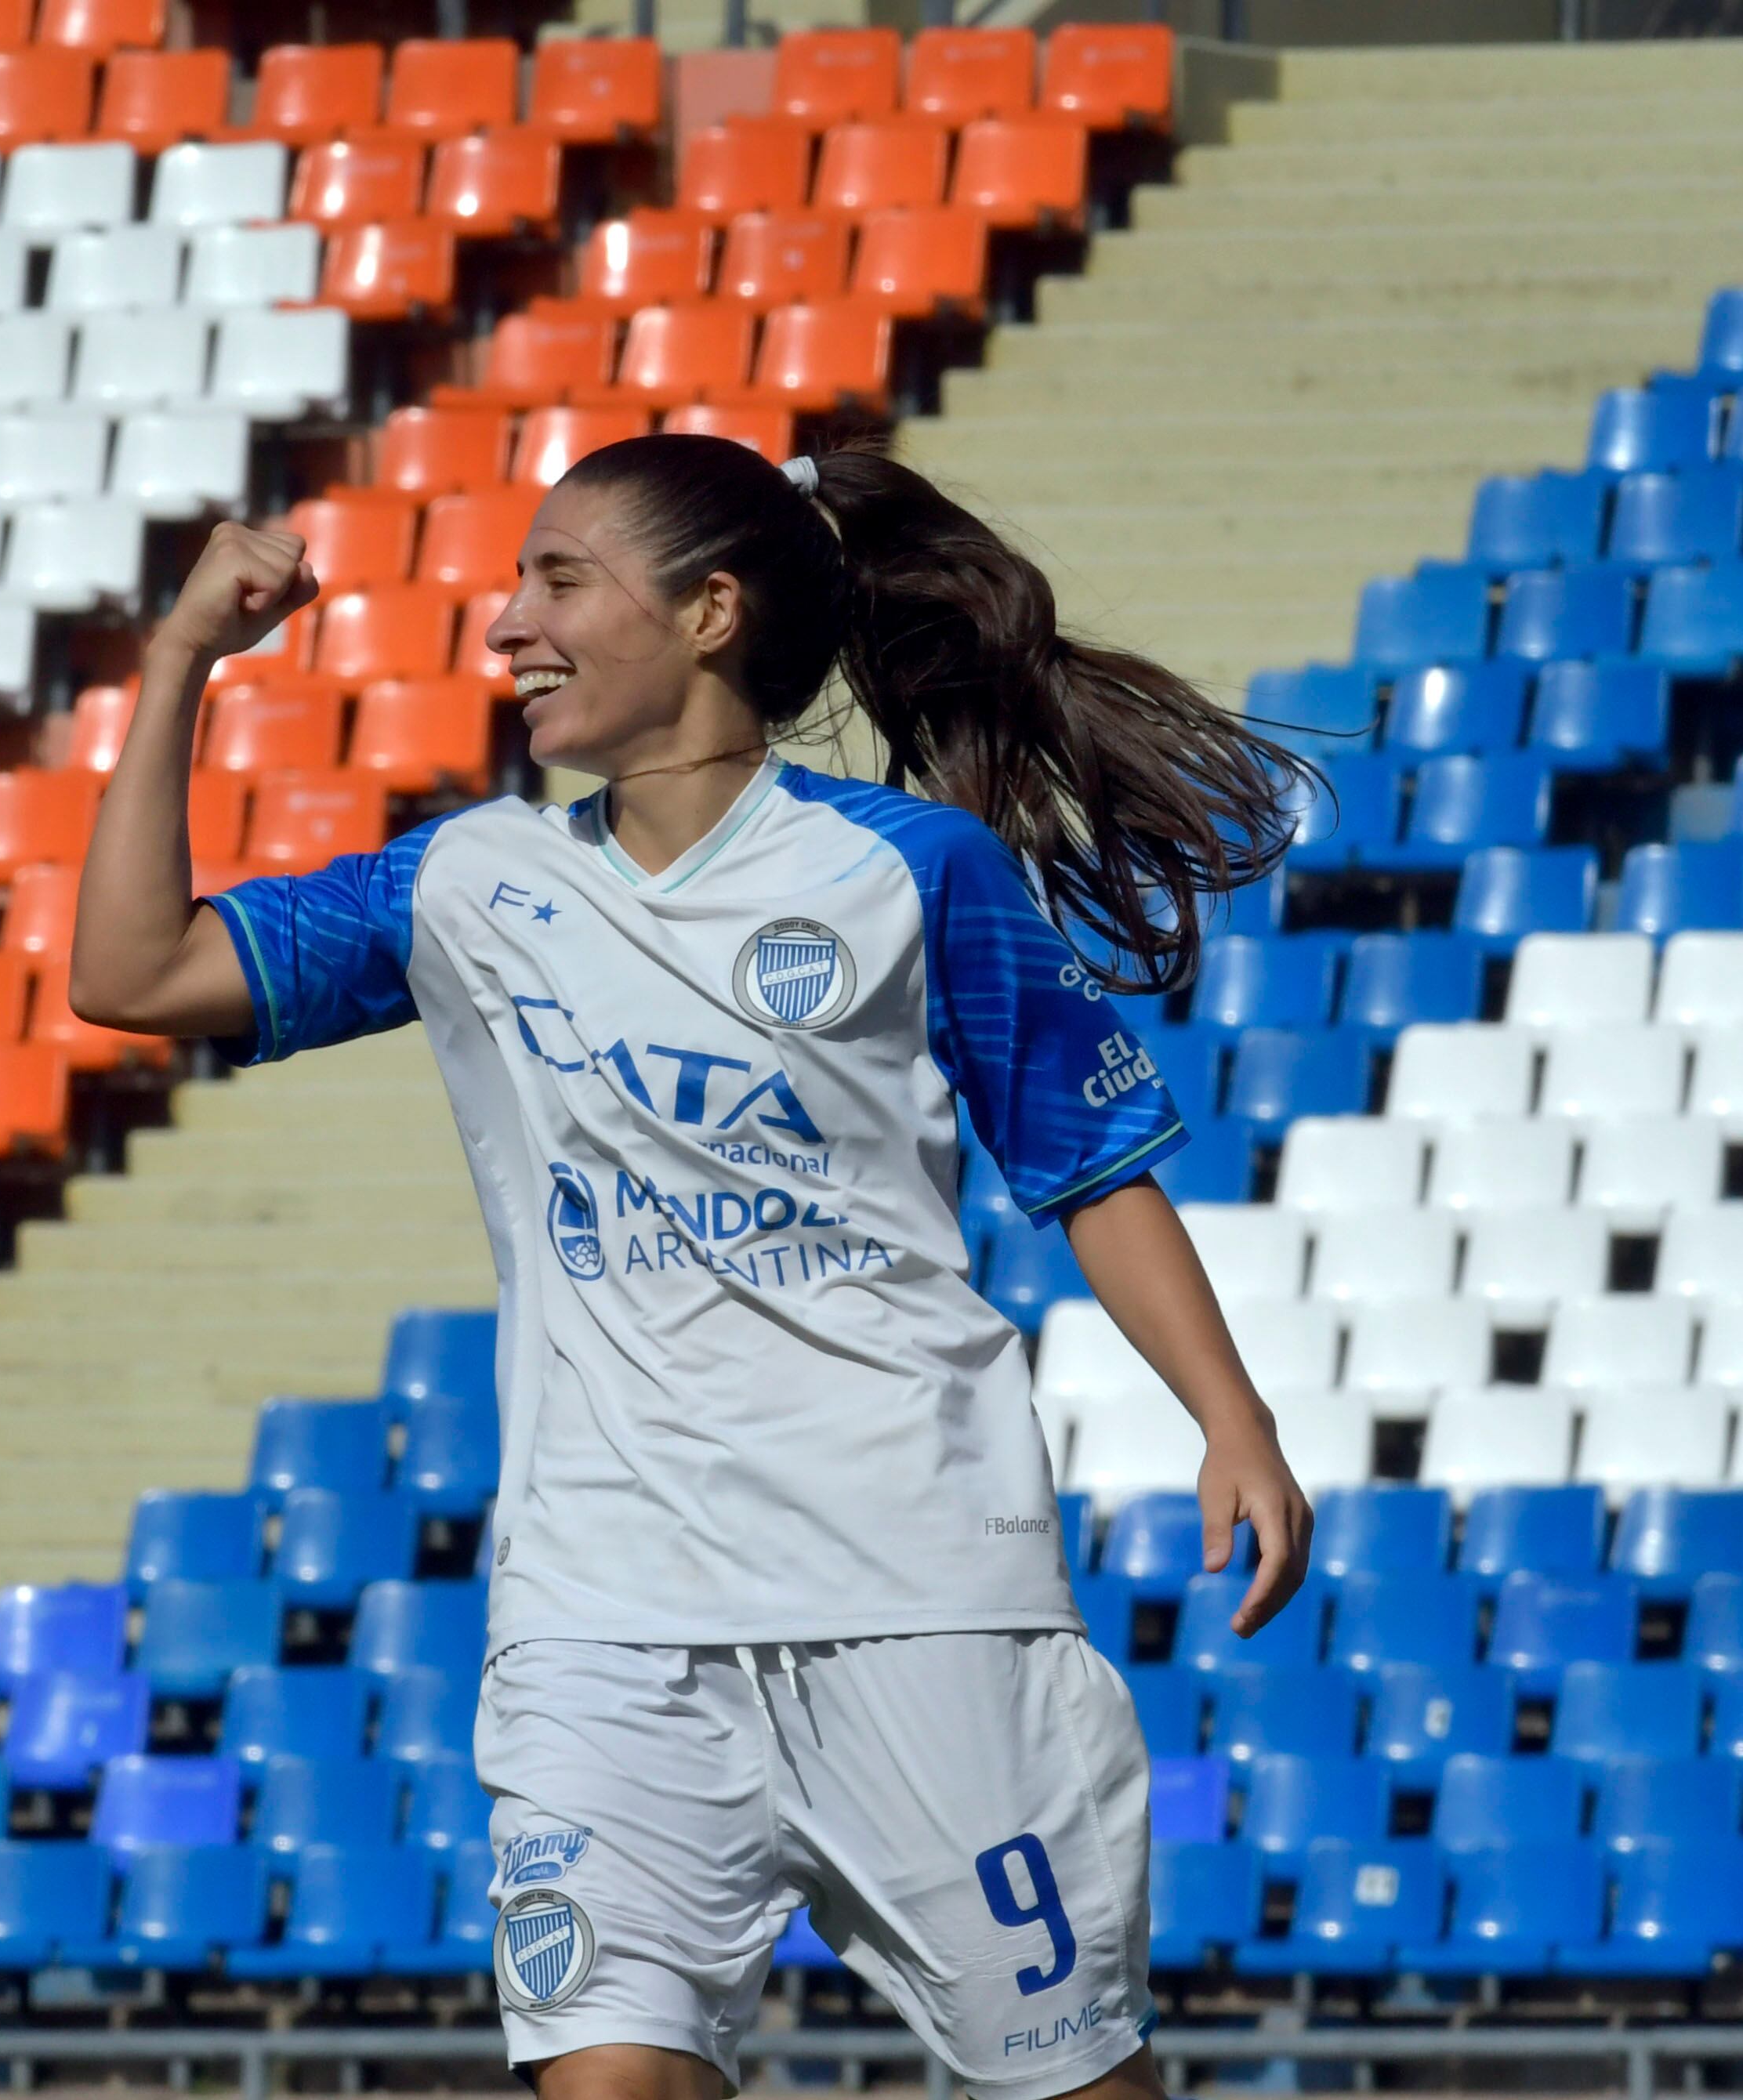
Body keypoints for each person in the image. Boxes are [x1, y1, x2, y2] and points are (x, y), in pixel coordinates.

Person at [73, 435, 1315, 2100]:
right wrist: (176, 664)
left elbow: (1093, 1168)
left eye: (560, 577)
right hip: (605, 1621)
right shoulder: (471, 880)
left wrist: (1230, 1417)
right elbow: (133, 969)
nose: (509, 621)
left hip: (921, 1596)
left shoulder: (910, 868)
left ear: (712, 609)